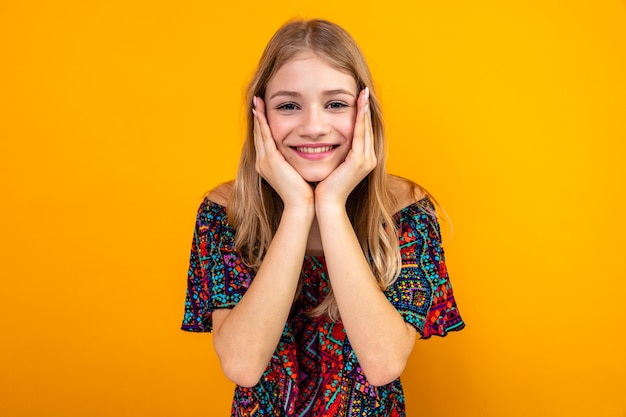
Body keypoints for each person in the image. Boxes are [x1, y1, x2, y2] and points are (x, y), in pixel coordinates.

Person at [181, 18, 464, 417]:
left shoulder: (406, 212)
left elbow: (383, 363)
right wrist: (298, 207)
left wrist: (330, 204)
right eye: (289, 105)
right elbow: (242, 365)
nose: (313, 127)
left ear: (363, 111)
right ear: (259, 114)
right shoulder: (226, 213)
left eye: (335, 103)